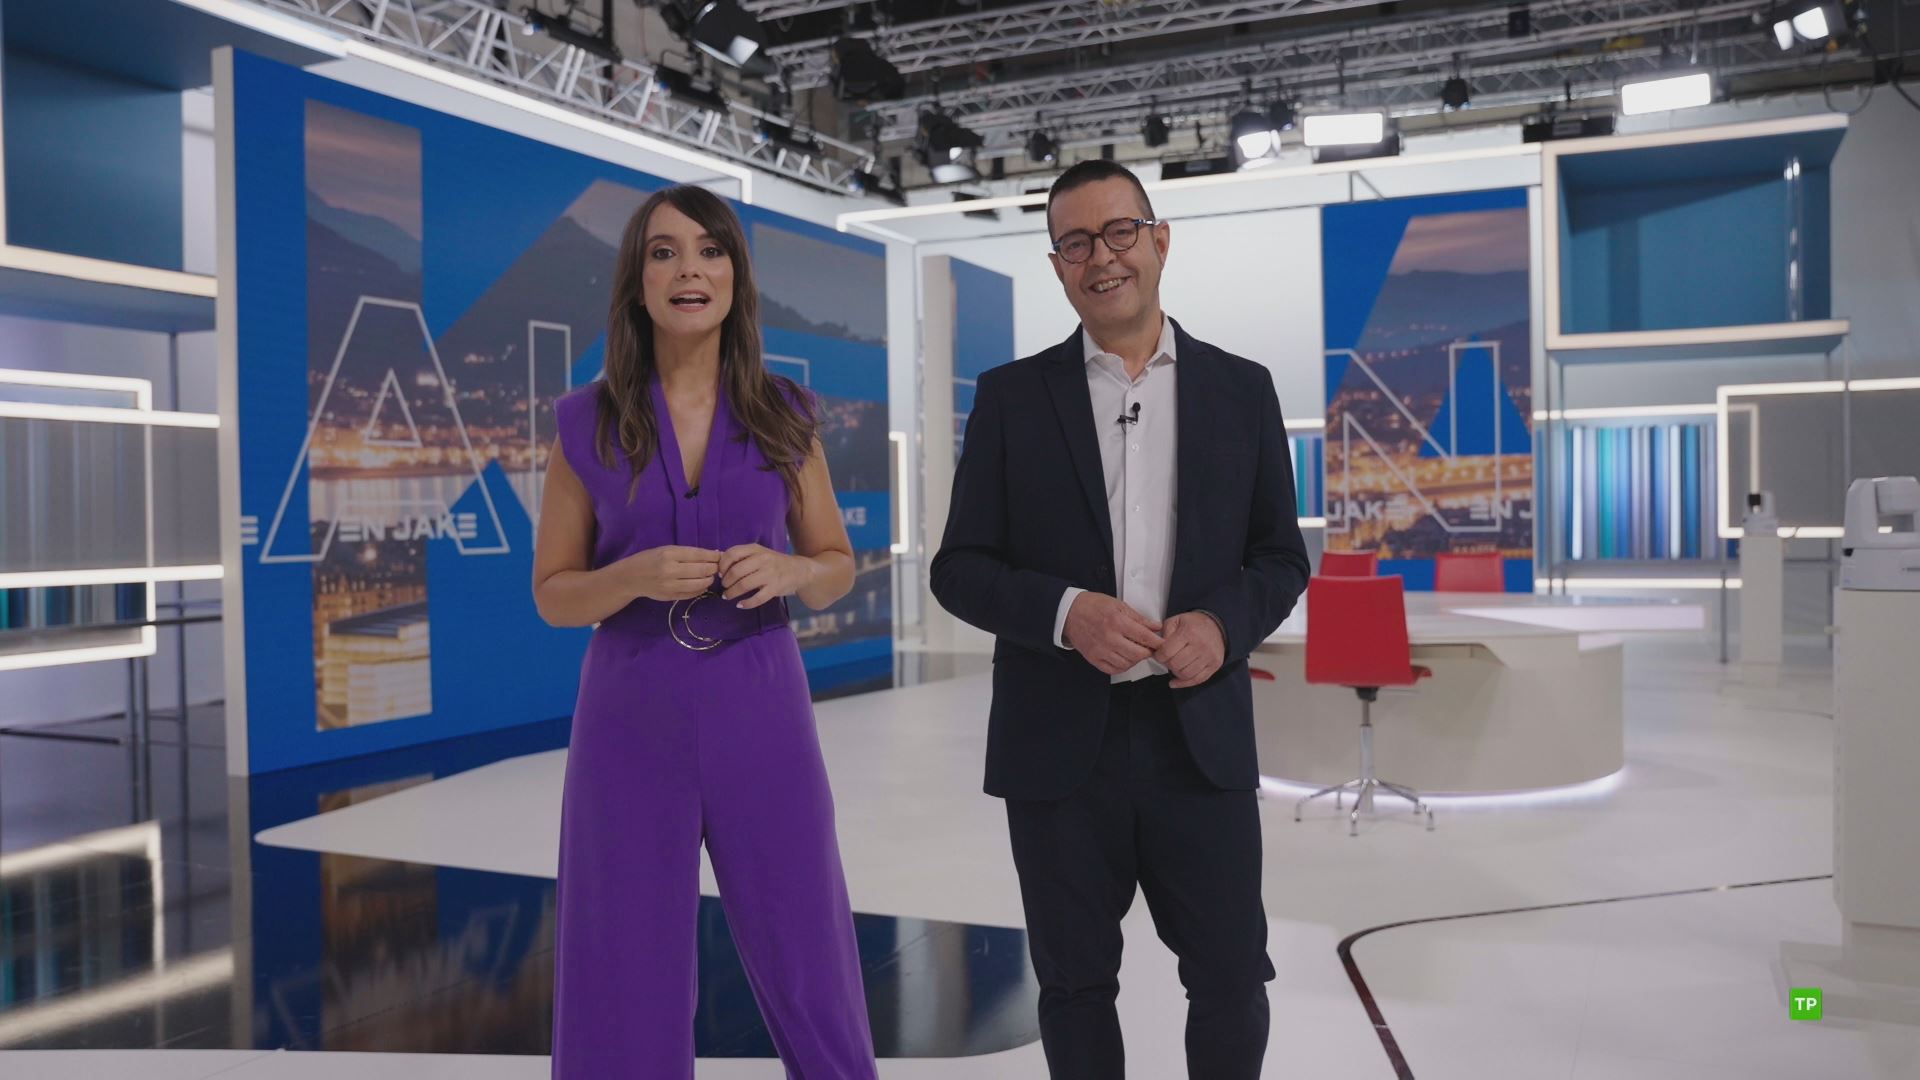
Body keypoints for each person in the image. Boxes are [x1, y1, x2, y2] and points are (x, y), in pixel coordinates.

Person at [930, 159, 1311, 1080]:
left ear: (1159, 241)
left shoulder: (1242, 389)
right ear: (1056, 265)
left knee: (1231, 978)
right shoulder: (1012, 398)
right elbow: (960, 568)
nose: (1101, 257)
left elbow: (1280, 557)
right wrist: (1066, 614)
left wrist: (1221, 625)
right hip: (1059, 750)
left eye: (1119, 233)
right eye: (1076, 242)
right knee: (1073, 986)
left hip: (1199, 741)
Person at [534, 184, 877, 1079]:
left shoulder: (787, 414)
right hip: (629, 715)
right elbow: (554, 595)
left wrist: (794, 572)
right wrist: (629, 578)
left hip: (762, 704)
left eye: (710, 250)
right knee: (621, 959)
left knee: (806, 944)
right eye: (665, 252)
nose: (690, 268)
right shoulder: (584, 422)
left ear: (734, 277)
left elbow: (836, 563)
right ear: (638, 283)